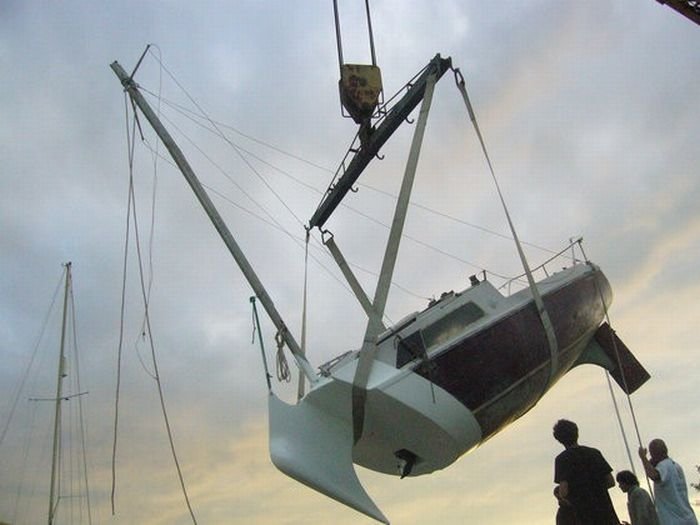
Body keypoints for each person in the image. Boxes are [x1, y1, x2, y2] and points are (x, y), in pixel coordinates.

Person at [552, 419, 619, 525]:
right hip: (606, 513)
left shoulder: (562, 460)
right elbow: (611, 481)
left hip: (583, 516)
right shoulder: (594, 453)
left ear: (559, 439)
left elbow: (563, 491)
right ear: (576, 433)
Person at [639, 439, 698, 525]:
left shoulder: (663, 466)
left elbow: (654, 475)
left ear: (653, 454)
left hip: (674, 520)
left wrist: (643, 458)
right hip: (689, 518)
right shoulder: (676, 466)